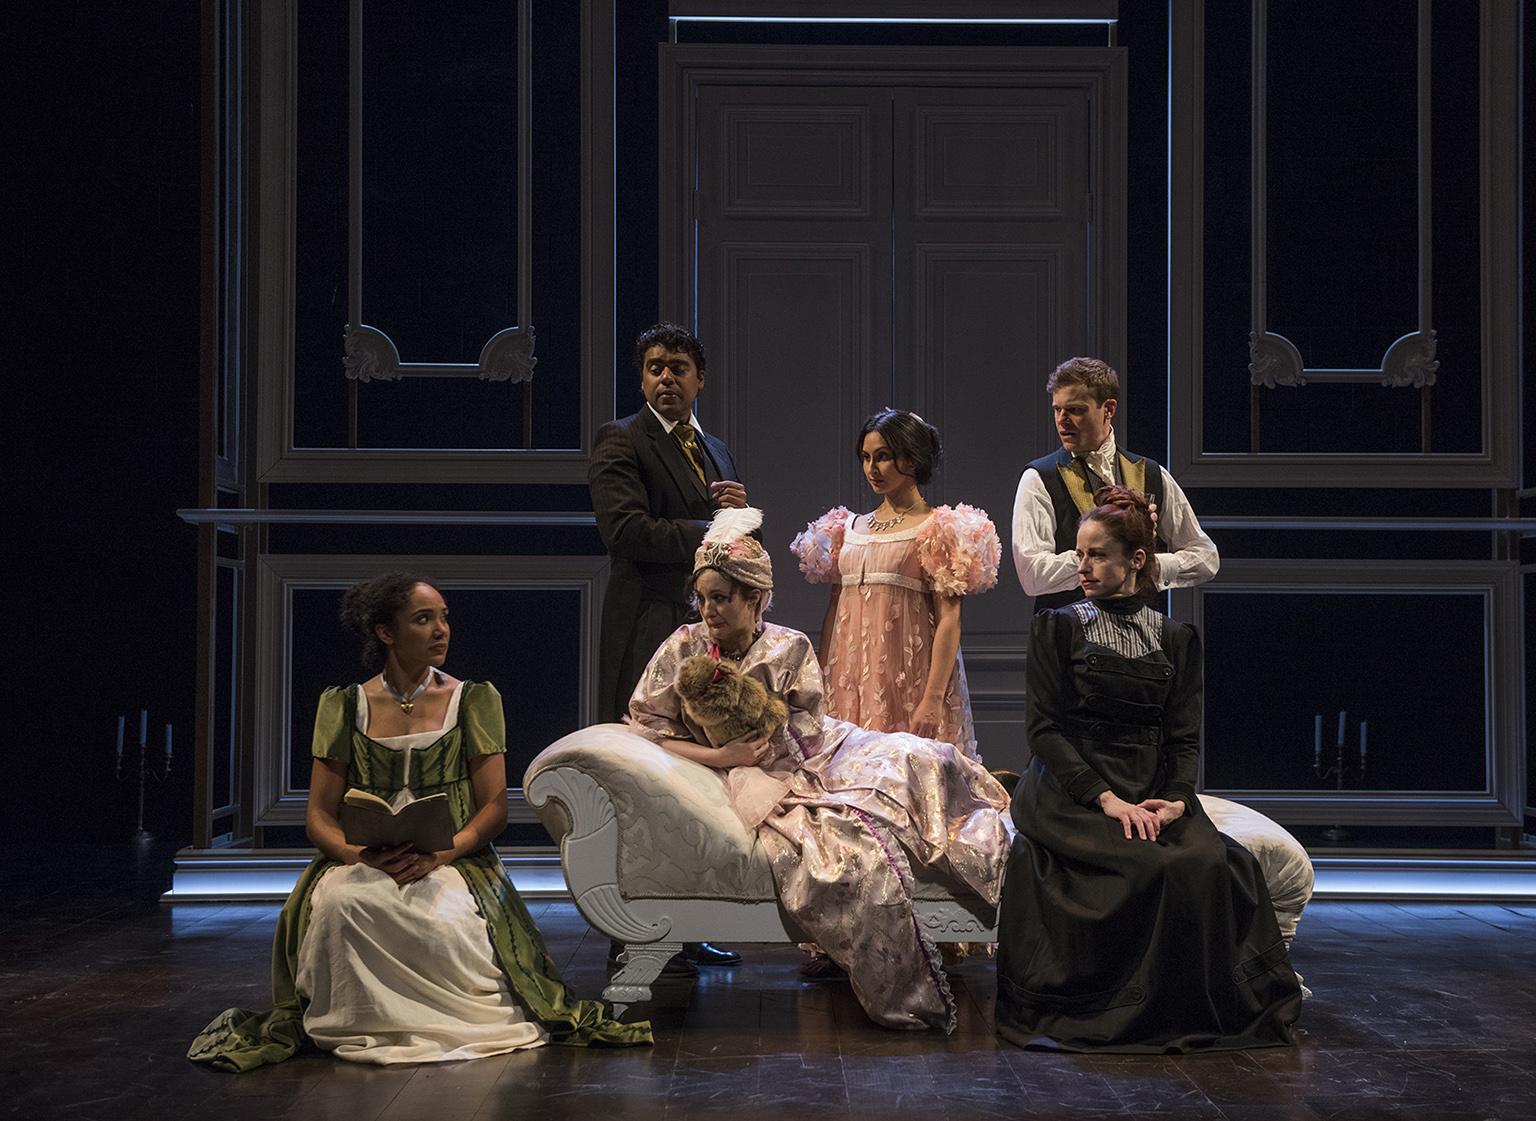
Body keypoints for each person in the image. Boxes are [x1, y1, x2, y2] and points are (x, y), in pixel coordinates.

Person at [189, 575, 649, 1071]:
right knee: (345, 904)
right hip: (366, 856)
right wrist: (355, 854)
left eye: (444, 618)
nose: (441, 630)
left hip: (451, 856)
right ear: (386, 633)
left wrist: (446, 852)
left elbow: (494, 806)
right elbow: (319, 815)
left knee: (444, 918)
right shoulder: (344, 705)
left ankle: (455, 1019)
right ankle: (358, 1020)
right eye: (424, 619)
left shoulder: (472, 700)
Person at [628, 508, 1011, 1033]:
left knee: (923, 758)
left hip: (815, 755)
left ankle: (993, 830)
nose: (710, 609)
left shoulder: (789, 646)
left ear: (754, 598)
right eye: (704, 598)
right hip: (756, 777)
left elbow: (809, 731)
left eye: (722, 597)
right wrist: (721, 757)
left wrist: (768, 730)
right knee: (854, 839)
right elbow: (647, 729)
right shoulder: (682, 647)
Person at [995, 489, 1301, 1051]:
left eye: (1098, 555)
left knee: (1210, 862)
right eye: (1079, 554)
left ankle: (1186, 1012)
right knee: (1139, 866)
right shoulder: (1057, 627)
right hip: (1072, 786)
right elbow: (1044, 731)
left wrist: (1180, 798)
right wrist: (1106, 799)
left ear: (1137, 561)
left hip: (1152, 783)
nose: (1081, 567)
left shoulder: (1177, 638)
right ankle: (1118, 1012)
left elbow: (1184, 737)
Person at [588, 321, 745, 971]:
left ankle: (688, 919)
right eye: (654, 366)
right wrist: (714, 528)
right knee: (643, 781)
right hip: (649, 627)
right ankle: (634, 929)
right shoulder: (621, 439)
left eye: (678, 366)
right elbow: (627, 531)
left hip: (705, 638)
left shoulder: (717, 449)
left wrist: (740, 518)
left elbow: (727, 541)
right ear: (642, 376)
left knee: (698, 781)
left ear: (699, 377)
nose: (665, 377)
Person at [791, 409, 1001, 758]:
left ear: (912, 459)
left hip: (907, 681)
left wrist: (932, 699)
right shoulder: (846, 529)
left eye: (884, 457)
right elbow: (834, 609)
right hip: (849, 680)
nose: (872, 468)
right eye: (866, 457)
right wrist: (822, 679)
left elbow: (949, 619)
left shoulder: (940, 528)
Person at [1012, 356, 1218, 611]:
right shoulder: (1039, 478)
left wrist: (1150, 565)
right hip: (1067, 638)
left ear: (1108, 409)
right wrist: (1112, 559)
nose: (1062, 419)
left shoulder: (1151, 474)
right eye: (1057, 409)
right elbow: (1032, 575)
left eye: (1075, 409)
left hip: (1142, 634)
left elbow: (1207, 558)